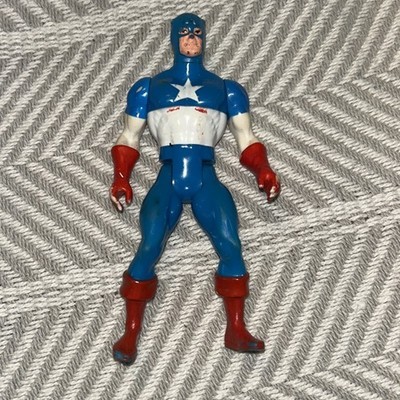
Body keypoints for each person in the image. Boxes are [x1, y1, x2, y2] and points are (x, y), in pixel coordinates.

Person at [110, 13, 280, 365]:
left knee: (231, 245)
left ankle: (236, 328)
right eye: (184, 33)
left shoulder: (226, 90)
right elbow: (128, 137)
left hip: (206, 176)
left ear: (205, 38)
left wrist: (263, 169)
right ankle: (130, 331)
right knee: (149, 246)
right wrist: (122, 176)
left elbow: (246, 138)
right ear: (173, 38)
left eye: (197, 32)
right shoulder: (148, 88)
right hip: (168, 175)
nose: (191, 38)